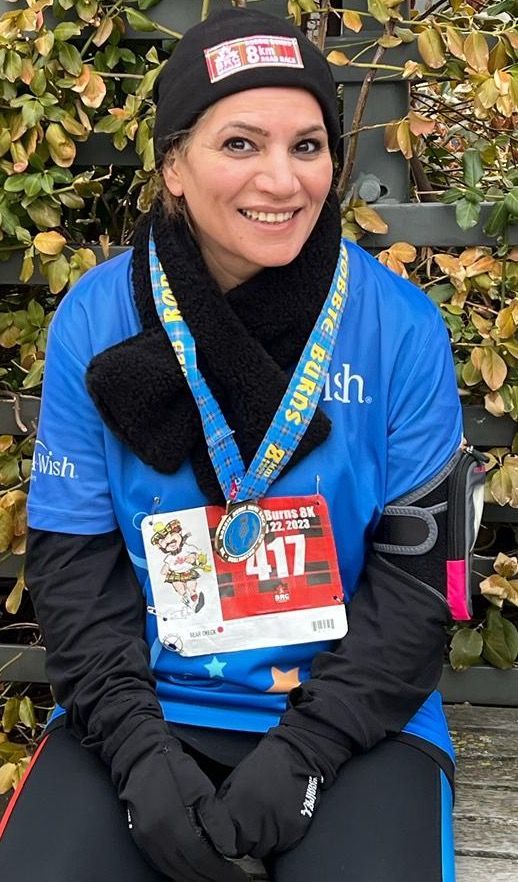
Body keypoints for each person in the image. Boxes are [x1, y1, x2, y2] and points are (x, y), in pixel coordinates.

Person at [0, 8, 484, 882]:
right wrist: (140, 754)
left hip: (356, 721)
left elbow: (425, 588)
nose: (282, 179)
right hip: (145, 706)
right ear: (174, 165)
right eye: (240, 144)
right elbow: (72, 567)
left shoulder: (403, 329)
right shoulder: (96, 315)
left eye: (307, 146)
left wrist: (304, 758)